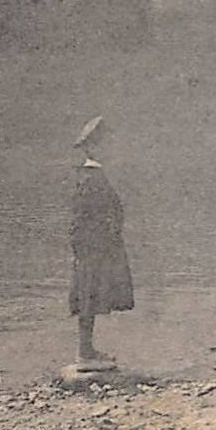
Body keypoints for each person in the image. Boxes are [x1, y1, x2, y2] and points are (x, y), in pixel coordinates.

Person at [69, 115, 134, 372]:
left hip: (97, 245)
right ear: (92, 147)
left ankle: (88, 350)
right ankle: (85, 352)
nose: (110, 149)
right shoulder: (90, 178)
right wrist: (89, 247)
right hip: (93, 247)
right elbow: (83, 218)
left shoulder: (94, 176)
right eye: (105, 144)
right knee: (88, 295)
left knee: (92, 296)